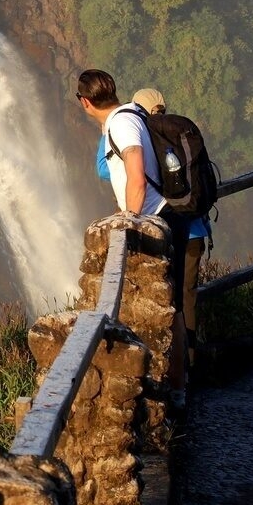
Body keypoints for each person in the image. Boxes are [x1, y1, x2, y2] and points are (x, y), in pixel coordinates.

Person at [76, 69, 188, 395]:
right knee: (173, 306)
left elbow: (136, 173)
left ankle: (172, 389)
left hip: (154, 217)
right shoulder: (132, 113)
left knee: (167, 308)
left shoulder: (120, 123)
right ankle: (178, 387)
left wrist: (130, 219)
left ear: (85, 102)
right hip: (162, 214)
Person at [133, 87, 209, 365]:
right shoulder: (180, 131)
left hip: (165, 232)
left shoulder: (145, 137)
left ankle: (172, 368)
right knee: (187, 296)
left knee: (167, 299)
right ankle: (190, 361)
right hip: (195, 230)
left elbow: (104, 169)